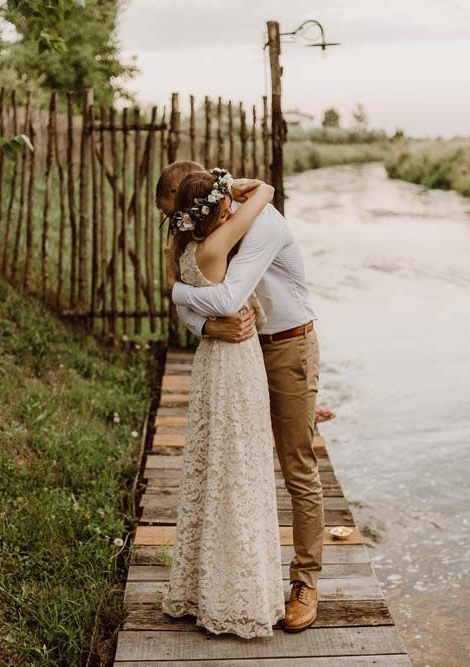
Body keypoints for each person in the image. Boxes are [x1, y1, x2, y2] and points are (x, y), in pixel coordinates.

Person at [157, 160, 324, 633]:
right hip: (243, 352)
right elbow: (206, 297)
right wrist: (202, 321)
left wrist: (176, 295)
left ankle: (305, 580)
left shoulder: (262, 222)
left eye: (180, 216)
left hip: (289, 345)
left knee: (297, 464)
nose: (181, 228)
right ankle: (231, 569)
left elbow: (228, 297)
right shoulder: (212, 228)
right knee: (237, 462)